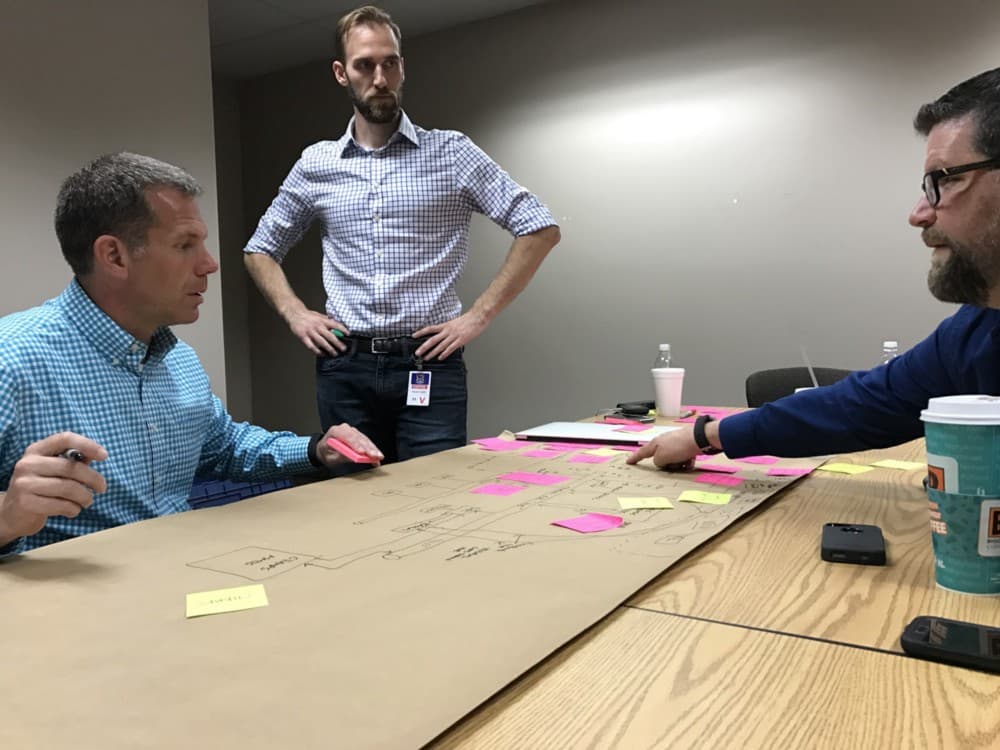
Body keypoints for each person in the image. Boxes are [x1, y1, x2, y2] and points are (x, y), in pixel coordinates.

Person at [0, 152, 384, 556]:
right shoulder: (12, 359)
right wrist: (7, 517)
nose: (210, 264)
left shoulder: (177, 359)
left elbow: (224, 447)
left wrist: (316, 449)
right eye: (185, 245)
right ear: (114, 256)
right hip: (72, 609)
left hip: (185, 579)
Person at [629, 67, 1000, 469]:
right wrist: (704, 435)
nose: (918, 214)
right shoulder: (977, 332)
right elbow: (862, 405)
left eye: (942, 181)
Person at [243, 5, 560, 466]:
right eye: (365, 65)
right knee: (352, 500)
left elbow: (539, 227)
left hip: (429, 361)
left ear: (402, 67)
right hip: (344, 363)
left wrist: (476, 318)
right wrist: (295, 313)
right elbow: (260, 250)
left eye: (389, 62)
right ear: (341, 73)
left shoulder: (451, 153)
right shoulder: (317, 164)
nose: (380, 77)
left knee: (433, 499)